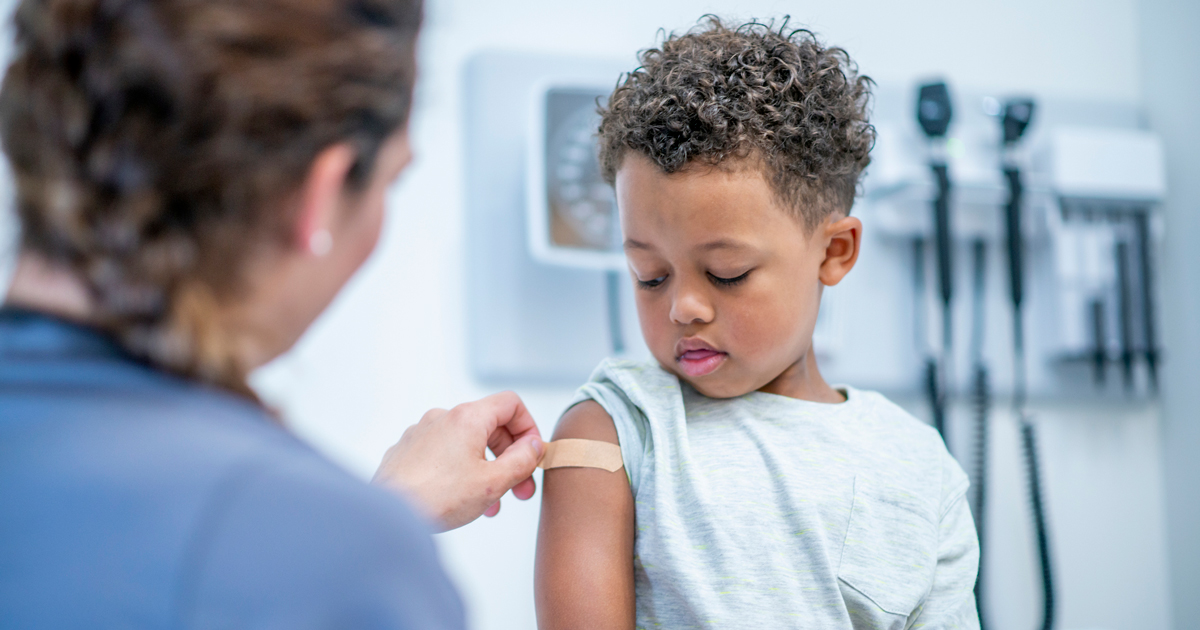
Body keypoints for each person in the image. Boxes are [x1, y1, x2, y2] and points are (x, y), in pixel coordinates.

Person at [0, 0, 544, 627]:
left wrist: (372, 515)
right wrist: (352, 540)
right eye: (390, 183)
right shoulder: (333, 567)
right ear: (322, 193)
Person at [535, 18, 981, 630]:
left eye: (727, 272)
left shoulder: (917, 468)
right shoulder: (618, 428)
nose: (682, 308)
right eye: (650, 275)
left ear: (833, 253)